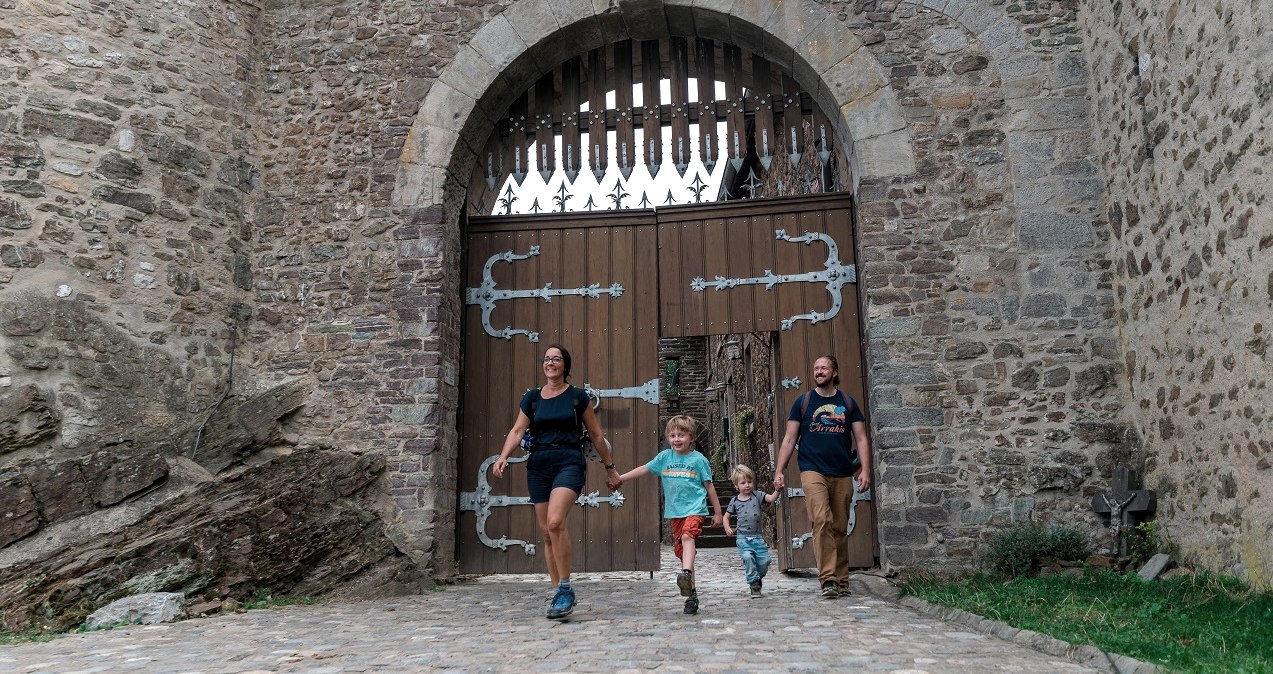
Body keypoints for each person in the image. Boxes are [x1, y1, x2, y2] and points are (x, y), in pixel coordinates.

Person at [493, 344, 621, 619]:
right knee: (546, 533)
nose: (551, 363)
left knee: (555, 522)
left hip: (568, 462)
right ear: (543, 365)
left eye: (557, 359)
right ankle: (557, 593)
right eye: (547, 359)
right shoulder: (532, 398)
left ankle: (565, 589)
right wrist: (503, 456)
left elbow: (597, 436)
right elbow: (517, 430)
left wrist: (610, 469)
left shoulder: (577, 397)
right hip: (539, 465)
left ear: (565, 365)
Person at [773, 354, 872, 599]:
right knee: (821, 519)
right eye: (816, 368)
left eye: (824, 368)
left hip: (842, 471)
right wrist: (779, 470)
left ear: (834, 372)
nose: (819, 371)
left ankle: (841, 579)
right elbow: (789, 438)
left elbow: (861, 439)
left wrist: (866, 470)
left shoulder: (848, 403)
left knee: (839, 526)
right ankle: (827, 578)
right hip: (812, 470)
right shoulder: (803, 402)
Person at [608, 414, 722, 615]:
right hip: (675, 512)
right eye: (673, 435)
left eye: (682, 435)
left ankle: (686, 573)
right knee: (684, 553)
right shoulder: (664, 458)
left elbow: (709, 486)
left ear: (692, 438)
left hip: (695, 509)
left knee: (688, 536)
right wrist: (621, 478)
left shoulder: (699, 460)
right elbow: (645, 468)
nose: (677, 439)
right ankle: (691, 595)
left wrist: (718, 512)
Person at [722, 464, 779, 598]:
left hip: (758, 538)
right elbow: (726, 516)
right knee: (747, 557)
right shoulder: (734, 501)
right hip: (743, 539)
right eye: (743, 483)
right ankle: (754, 585)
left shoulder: (758, 496)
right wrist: (727, 528)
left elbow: (771, 498)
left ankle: (757, 577)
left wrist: (778, 490)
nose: (747, 485)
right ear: (737, 486)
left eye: (749, 481)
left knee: (765, 562)